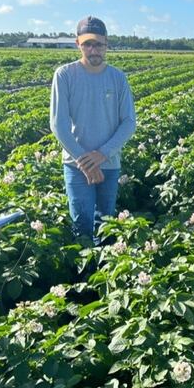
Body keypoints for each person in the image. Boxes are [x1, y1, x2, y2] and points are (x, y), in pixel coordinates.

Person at [50, 16, 136, 243]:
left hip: (108, 164)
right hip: (76, 166)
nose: (93, 49)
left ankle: (104, 271)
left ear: (106, 44)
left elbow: (128, 122)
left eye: (98, 44)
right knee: (82, 224)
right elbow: (58, 124)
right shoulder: (65, 75)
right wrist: (84, 161)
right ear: (78, 44)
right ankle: (85, 274)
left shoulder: (118, 78)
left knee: (105, 224)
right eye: (87, 43)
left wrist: (102, 154)